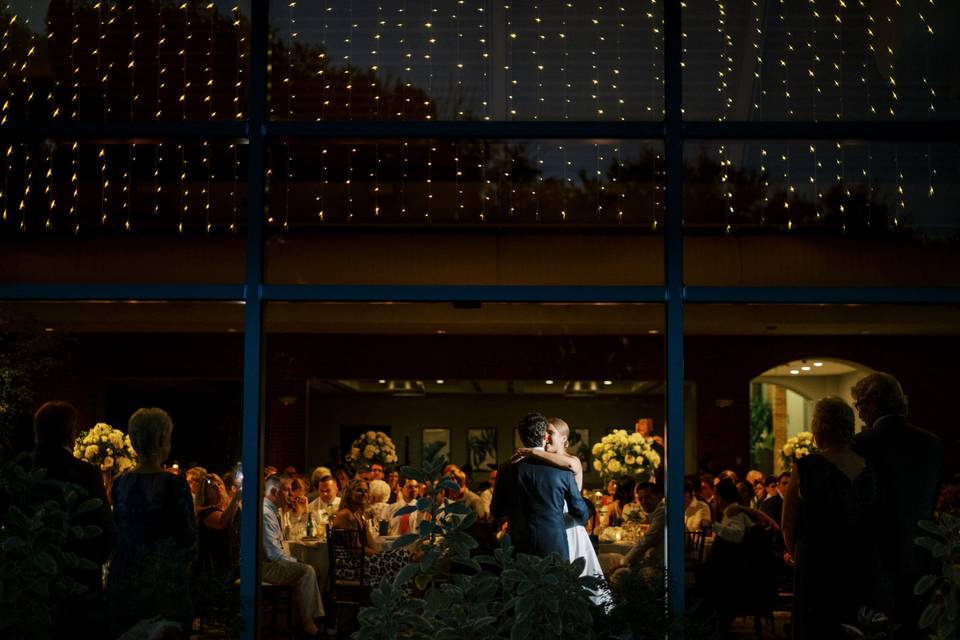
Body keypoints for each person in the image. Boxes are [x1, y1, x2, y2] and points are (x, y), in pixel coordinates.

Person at [782, 396, 885, 640]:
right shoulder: (869, 468)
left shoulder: (805, 468)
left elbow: (788, 524)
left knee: (818, 627)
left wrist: (798, 555)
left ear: (819, 427)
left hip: (817, 562)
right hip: (860, 562)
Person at [851, 373, 942, 638]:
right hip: (921, 554)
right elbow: (932, 498)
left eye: (860, 405)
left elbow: (859, 503)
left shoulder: (863, 443)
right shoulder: (932, 443)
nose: (859, 414)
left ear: (874, 402)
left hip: (877, 556)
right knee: (915, 628)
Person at [29, 401, 116, 636]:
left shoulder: (21, 470)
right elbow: (105, 530)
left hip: (28, 587)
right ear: (71, 433)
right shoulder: (85, 473)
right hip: (79, 584)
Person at [107, 408, 197, 634]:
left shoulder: (119, 483)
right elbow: (188, 539)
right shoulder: (174, 485)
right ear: (160, 440)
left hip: (124, 585)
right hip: (164, 590)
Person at [511, 417, 607, 603]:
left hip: (568, 527)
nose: (545, 437)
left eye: (551, 433)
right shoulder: (545, 464)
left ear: (564, 439)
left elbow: (570, 466)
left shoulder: (572, 461)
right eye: (544, 434)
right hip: (550, 528)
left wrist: (532, 451)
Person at [491, 412, 589, 561]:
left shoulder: (507, 468)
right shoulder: (562, 470)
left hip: (518, 545)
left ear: (521, 437)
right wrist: (554, 521)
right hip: (554, 545)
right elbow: (581, 514)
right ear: (545, 436)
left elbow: (496, 509)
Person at [262, 474, 325, 636]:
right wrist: (294, 561)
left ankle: (304, 620)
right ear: (274, 492)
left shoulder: (273, 509)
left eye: (291, 490)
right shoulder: (265, 513)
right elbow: (273, 552)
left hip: (269, 562)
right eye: (287, 490)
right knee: (307, 571)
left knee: (311, 569)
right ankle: (308, 624)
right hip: (263, 566)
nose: (291, 495)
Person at [332, 477, 412, 586]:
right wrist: (381, 555)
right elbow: (357, 550)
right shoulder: (346, 515)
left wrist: (364, 525)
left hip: (360, 562)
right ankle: (395, 596)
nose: (364, 493)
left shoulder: (357, 515)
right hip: (350, 566)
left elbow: (372, 545)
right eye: (359, 490)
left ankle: (396, 595)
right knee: (402, 556)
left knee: (402, 554)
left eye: (366, 491)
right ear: (349, 494)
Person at [196, 472, 242, 578]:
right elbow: (222, 521)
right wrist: (237, 497)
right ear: (205, 493)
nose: (217, 487)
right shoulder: (205, 512)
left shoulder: (227, 506)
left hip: (234, 560)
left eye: (219, 483)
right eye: (212, 486)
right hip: (215, 566)